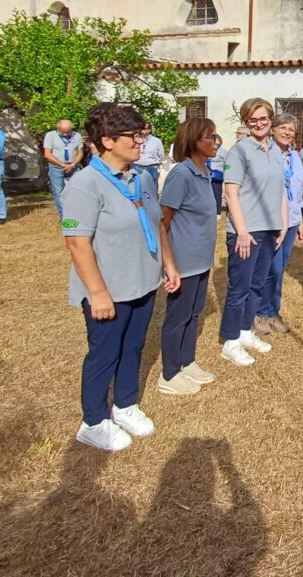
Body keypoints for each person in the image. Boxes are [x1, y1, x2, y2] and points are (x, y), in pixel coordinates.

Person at [62, 102, 181, 452]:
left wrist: (168, 264)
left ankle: (125, 404)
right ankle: (94, 421)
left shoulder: (141, 177)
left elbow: (158, 223)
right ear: (108, 140)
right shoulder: (85, 184)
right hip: (109, 289)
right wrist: (97, 293)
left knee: (133, 346)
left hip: (142, 281)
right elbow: (76, 242)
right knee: (105, 353)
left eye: (141, 134)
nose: (141, 141)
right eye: (134, 136)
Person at [219, 98, 287, 365]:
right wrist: (242, 231)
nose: (259, 124)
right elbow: (231, 192)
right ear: (246, 123)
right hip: (246, 232)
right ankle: (231, 341)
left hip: (269, 229)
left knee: (257, 285)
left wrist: (281, 224)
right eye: (253, 120)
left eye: (263, 119)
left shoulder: (275, 151)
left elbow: (280, 191)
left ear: (271, 120)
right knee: (240, 288)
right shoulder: (240, 151)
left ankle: (245, 332)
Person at [157, 117, 219, 396]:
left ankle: (187, 360)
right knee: (178, 316)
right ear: (193, 140)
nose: (215, 141)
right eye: (209, 137)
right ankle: (169, 373)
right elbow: (164, 220)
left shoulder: (204, 170)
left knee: (194, 313)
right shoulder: (181, 174)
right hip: (183, 259)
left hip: (202, 258)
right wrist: (168, 263)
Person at [256, 113, 303, 334]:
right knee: (269, 268)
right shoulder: (265, 154)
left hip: (292, 219)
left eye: (291, 129)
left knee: (279, 269)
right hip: (271, 221)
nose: (287, 132)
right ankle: (259, 313)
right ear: (272, 129)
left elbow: (298, 190)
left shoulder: (295, 156)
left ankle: (272, 312)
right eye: (283, 128)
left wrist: (301, 221)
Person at [43, 119, 84, 219]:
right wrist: (61, 164)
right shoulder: (50, 135)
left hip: (73, 166)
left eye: (68, 131)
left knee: (77, 190)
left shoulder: (77, 135)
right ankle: (64, 215)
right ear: (58, 128)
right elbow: (47, 154)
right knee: (58, 192)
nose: (66, 134)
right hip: (56, 166)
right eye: (63, 132)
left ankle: (77, 213)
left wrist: (73, 164)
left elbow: (80, 152)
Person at [134, 122, 165, 186]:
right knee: (138, 186)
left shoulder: (156, 141)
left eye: (144, 128)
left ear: (149, 130)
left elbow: (161, 155)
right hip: (137, 166)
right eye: (141, 128)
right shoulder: (136, 139)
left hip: (152, 167)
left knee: (152, 187)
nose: (142, 130)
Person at [209, 133, 226, 215]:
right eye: (215, 143)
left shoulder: (223, 152)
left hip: (217, 177)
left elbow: (228, 164)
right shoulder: (207, 149)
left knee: (216, 195)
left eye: (218, 144)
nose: (216, 146)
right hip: (207, 175)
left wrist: (224, 171)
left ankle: (217, 213)